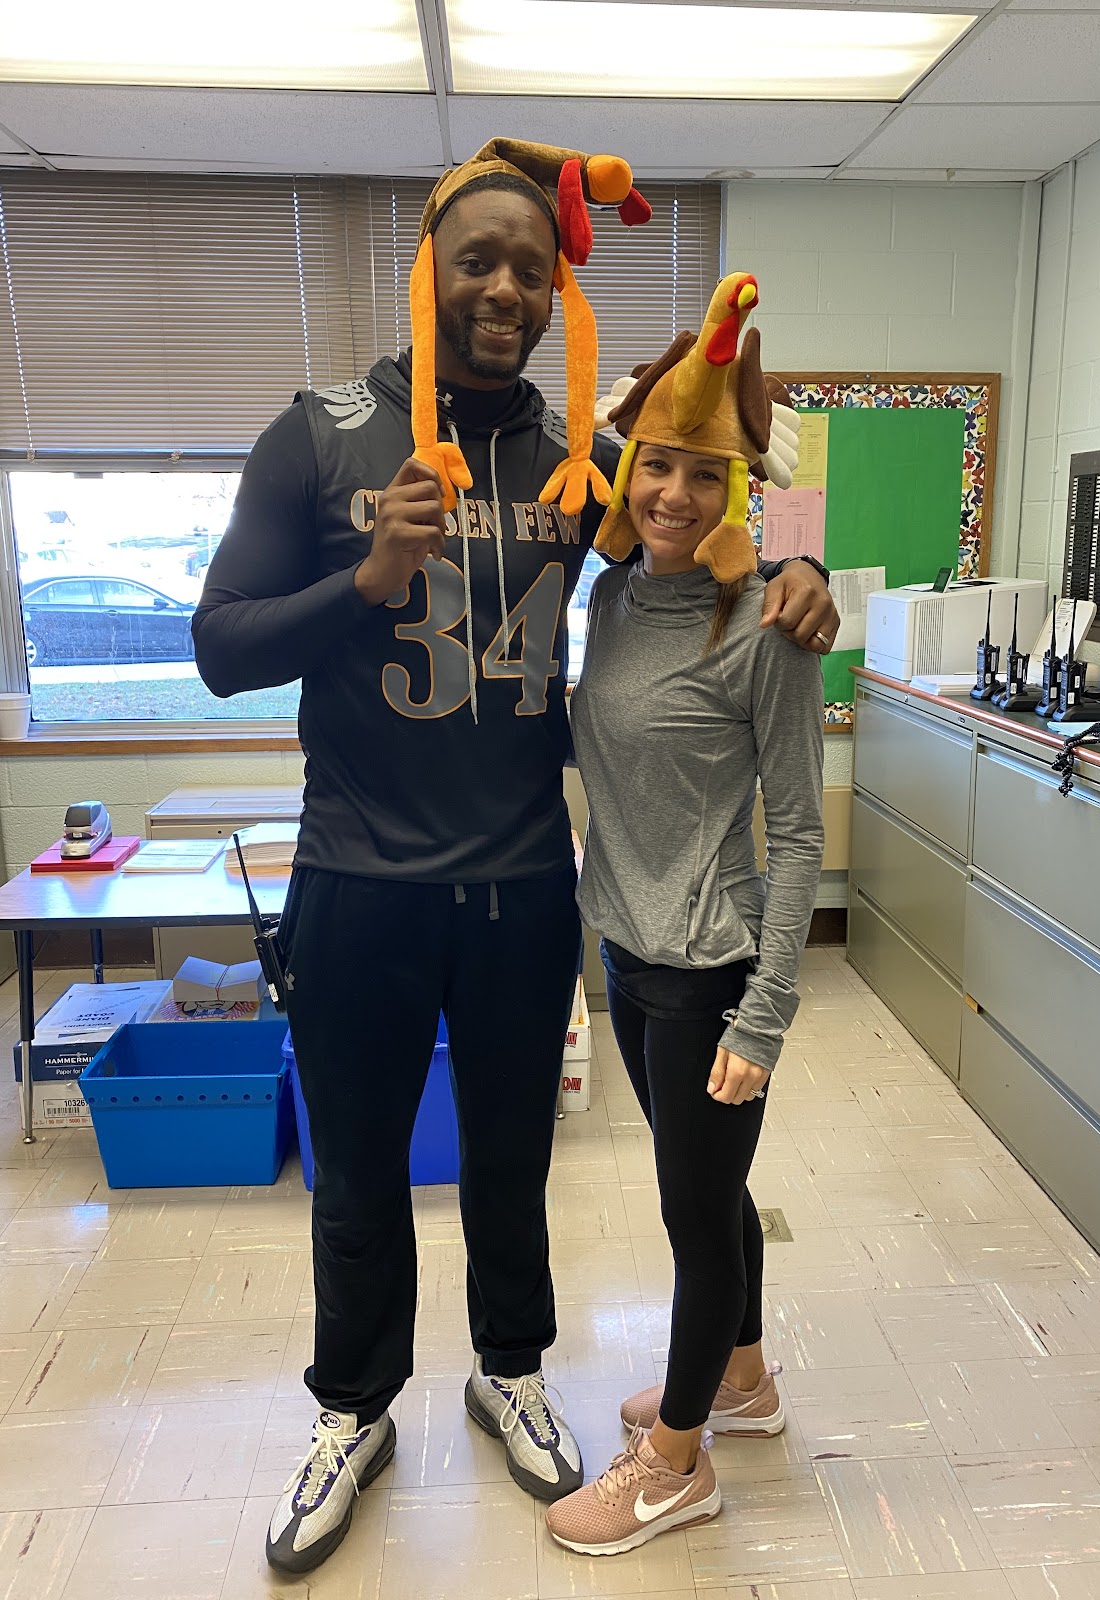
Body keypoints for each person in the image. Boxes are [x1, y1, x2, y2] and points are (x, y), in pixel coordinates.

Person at [191, 140, 839, 1578]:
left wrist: (809, 568)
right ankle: (353, 1408)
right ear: (427, 267)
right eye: (475, 259)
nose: (502, 288)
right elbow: (219, 644)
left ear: (557, 295)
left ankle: (512, 1367)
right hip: (356, 877)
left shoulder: (581, 460)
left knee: (509, 1162)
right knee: (358, 1170)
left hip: (522, 886)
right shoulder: (319, 435)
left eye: (529, 270)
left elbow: (714, 494)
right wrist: (363, 577)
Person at [546, 273, 825, 1557]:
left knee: (693, 1219)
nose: (673, 493)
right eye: (656, 464)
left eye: (703, 474)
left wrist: (764, 1018)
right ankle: (744, 1381)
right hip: (629, 946)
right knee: (714, 1193)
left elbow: (799, 833)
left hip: (713, 966)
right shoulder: (611, 598)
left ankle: (676, 1465)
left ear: (737, 487)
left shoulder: (770, 626)